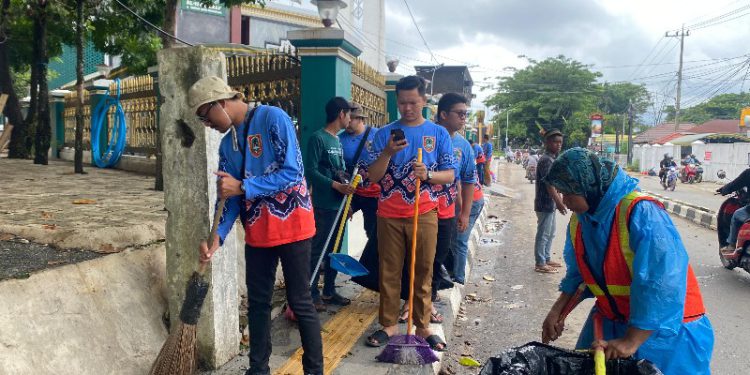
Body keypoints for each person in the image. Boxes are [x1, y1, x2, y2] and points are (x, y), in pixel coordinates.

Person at [190, 76, 323, 375]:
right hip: (259, 234)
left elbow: (293, 172)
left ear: (220, 103)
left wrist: (243, 186)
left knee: (301, 302)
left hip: (293, 227)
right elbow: (228, 197)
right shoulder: (228, 147)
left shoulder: (273, 117)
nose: (206, 124)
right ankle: (258, 369)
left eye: (204, 115)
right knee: (259, 304)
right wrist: (217, 238)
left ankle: (314, 371)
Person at [541, 148, 714, 375]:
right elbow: (582, 276)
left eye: (568, 193)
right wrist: (558, 312)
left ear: (587, 185)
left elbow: (662, 283)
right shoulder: (581, 222)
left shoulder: (641, 213)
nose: (563, 201)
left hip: (667, 334)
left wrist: (631, 341)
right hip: (613, 325)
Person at [364, 75, 454, 351]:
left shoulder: (438, 134)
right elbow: (373, 177)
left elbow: (449, 175)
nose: (407, 108)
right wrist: (388, 153)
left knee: (424, 269)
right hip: (389, 213)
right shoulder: (383, 134)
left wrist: (428, 174)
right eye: (402, 103)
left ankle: (423, 324)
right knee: (389, 270)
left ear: (424, 101)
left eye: (413, 102)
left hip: (425, 211)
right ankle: (389, 324)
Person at [304, 97, 356, 311]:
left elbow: (341, 172)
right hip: (323, 206)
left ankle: (329, 290)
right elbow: (311, 171)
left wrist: (347, 202)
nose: (351, 119)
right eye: (349, 114)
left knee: (334, 251)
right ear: (341, 114)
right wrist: (335, 186)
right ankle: (311, 292)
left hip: (339, 206)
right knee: (318, 250)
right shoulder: (318, 138)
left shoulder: (337, 140)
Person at [339, 103, 380, 289]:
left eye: (352, 118)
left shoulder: (377, 136)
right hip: (351, 192)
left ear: (361, 119)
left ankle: (374, 268)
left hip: (374, 193)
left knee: (372, 231)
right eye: (346, 117)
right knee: (338, 226)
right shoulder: (340, 139)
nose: (347, 122)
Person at [534, 129, 566, 273]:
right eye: (555, 142)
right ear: (547, 143)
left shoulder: (552, 158)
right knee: (543, 233)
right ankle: (540, 262)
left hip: (550, 204)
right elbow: (549, 184)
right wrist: (559, 202)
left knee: (551, 232)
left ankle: (546, 258)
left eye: (560, 142)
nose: (558, 145)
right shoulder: (546, 160)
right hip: (544, 203)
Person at [717, 167, 750, 256]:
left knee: (736, 215)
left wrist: (723, 189)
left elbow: (735, 184)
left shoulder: (748, 173)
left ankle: (731, 245)